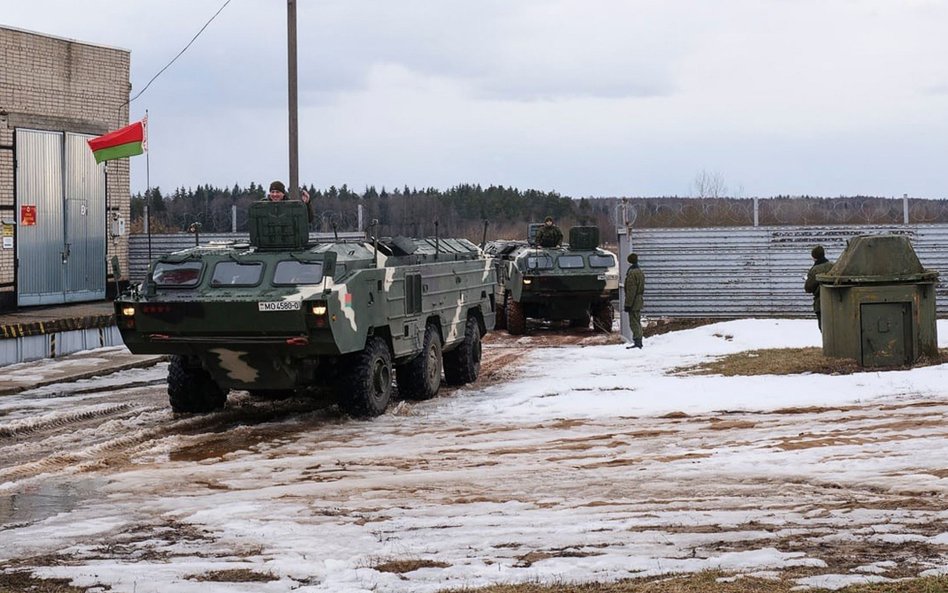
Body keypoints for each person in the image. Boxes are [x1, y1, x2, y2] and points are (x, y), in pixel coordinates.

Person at [804, 245, 834, 331]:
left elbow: (808, 288)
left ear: (814, 257)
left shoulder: (814, 270)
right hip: (835, 301)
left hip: (821, 302)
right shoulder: (833, 265)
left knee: (824, 329)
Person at [624, 252, 645, 349]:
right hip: (639, 299)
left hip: (634, 301)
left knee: (634, 322)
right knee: (637, 320)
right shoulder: (640, 271)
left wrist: (628, 304)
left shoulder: (632, 273)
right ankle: (638, 341)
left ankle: (637, 342)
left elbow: (631, 290)